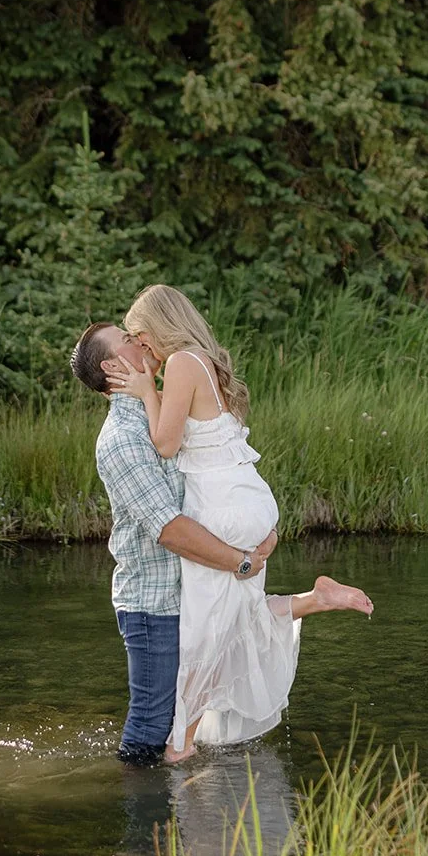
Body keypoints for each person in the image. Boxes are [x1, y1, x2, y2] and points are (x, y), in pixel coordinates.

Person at [108, 284, 373, 762]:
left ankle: (181, 746)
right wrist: (155, 390)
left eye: (139, 337)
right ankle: (314, 599)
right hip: (244, 497)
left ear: (154, 330)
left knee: (206, 631)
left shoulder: (181, 364)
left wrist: (148, 390)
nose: (139, 347)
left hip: (222, 507)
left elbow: (166, 445)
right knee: (235, 620)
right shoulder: (198, 362)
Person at [70, 321, 278, 768]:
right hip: (153, 607)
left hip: (187, 593)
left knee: (180, 721)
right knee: (151, 725)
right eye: (128, 340)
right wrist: (241, 563)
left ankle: (173, 821)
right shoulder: (121, 441)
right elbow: (169, 529)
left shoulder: (163, 414)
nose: (139, 341)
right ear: (112, 365)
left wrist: (261, 528)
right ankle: (141, 825)